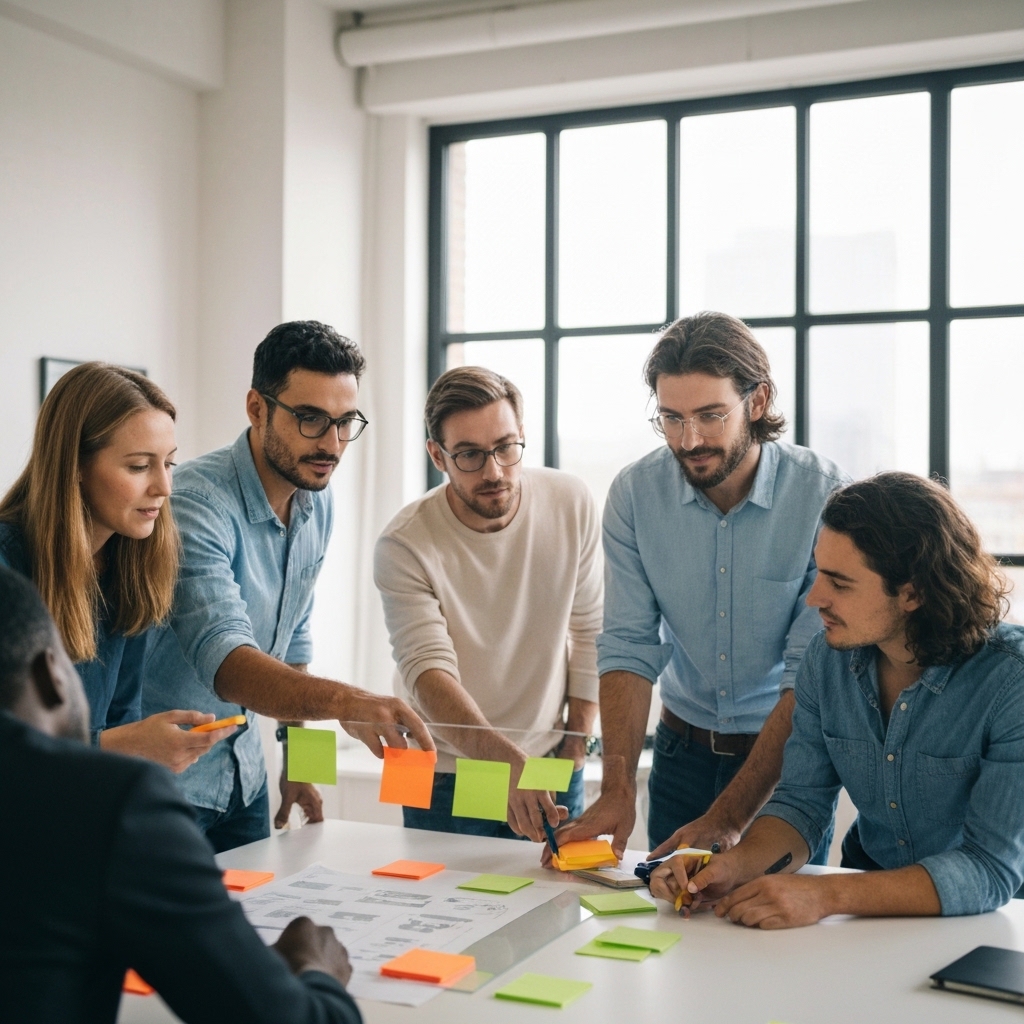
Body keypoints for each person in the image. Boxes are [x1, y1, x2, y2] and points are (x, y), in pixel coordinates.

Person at [650, 473, 1024, 926]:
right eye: (818, 572)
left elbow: (989, 866)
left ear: (913, 593)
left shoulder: (1011, 681)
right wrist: (731, 867)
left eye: (839, 583)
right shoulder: (826, 661)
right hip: (863, 911)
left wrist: (825, 894)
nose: (814, 598)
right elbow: (800, 806)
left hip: (989, 922)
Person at [0, 564, 361, 1024]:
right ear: (53, 675)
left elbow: (295, 647)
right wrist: (316, 970)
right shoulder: (112, 803)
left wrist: (301, 758)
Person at [557, 312, 848, 860]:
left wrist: (728, 817)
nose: (689, 440)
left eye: (711, 416)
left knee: (769, 927)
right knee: (674, 927)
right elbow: (628, 646)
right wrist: (616, 787)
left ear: (757, 402)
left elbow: (808, 676)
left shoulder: (824, 497)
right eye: (671, 418)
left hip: (786, 756)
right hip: (679, 753)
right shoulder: (635, 495)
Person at [143, 321, 433, 852]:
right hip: (167, 791)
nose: (331, 444)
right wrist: (349, 703)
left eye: (346, 422)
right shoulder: (195, 505)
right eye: (310, 419)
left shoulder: (315, 500)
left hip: (244, 778)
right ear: (257, 408)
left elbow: (293, 637)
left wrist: (300, 760)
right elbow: (228, 661)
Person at [374, 367, 601, 842]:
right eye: (470, 455)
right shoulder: (403, 543)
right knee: (435, 907)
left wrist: (575, 746)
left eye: (506, 448)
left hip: (547, 760)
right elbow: (427, 671)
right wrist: (508, 764)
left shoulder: (570, 501)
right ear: (438, 455)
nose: (494, 471)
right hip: (434, 768)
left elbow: (591, 630)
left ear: (523, 437)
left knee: (554, 907)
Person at [0, 363, 236, 771]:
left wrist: (142, 754)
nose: (164, 487)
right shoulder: (8, 568)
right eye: (139, 466)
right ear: (74, 466)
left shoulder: (130, 564)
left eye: (169, 464)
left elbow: (121, 717)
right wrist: (119, 747)